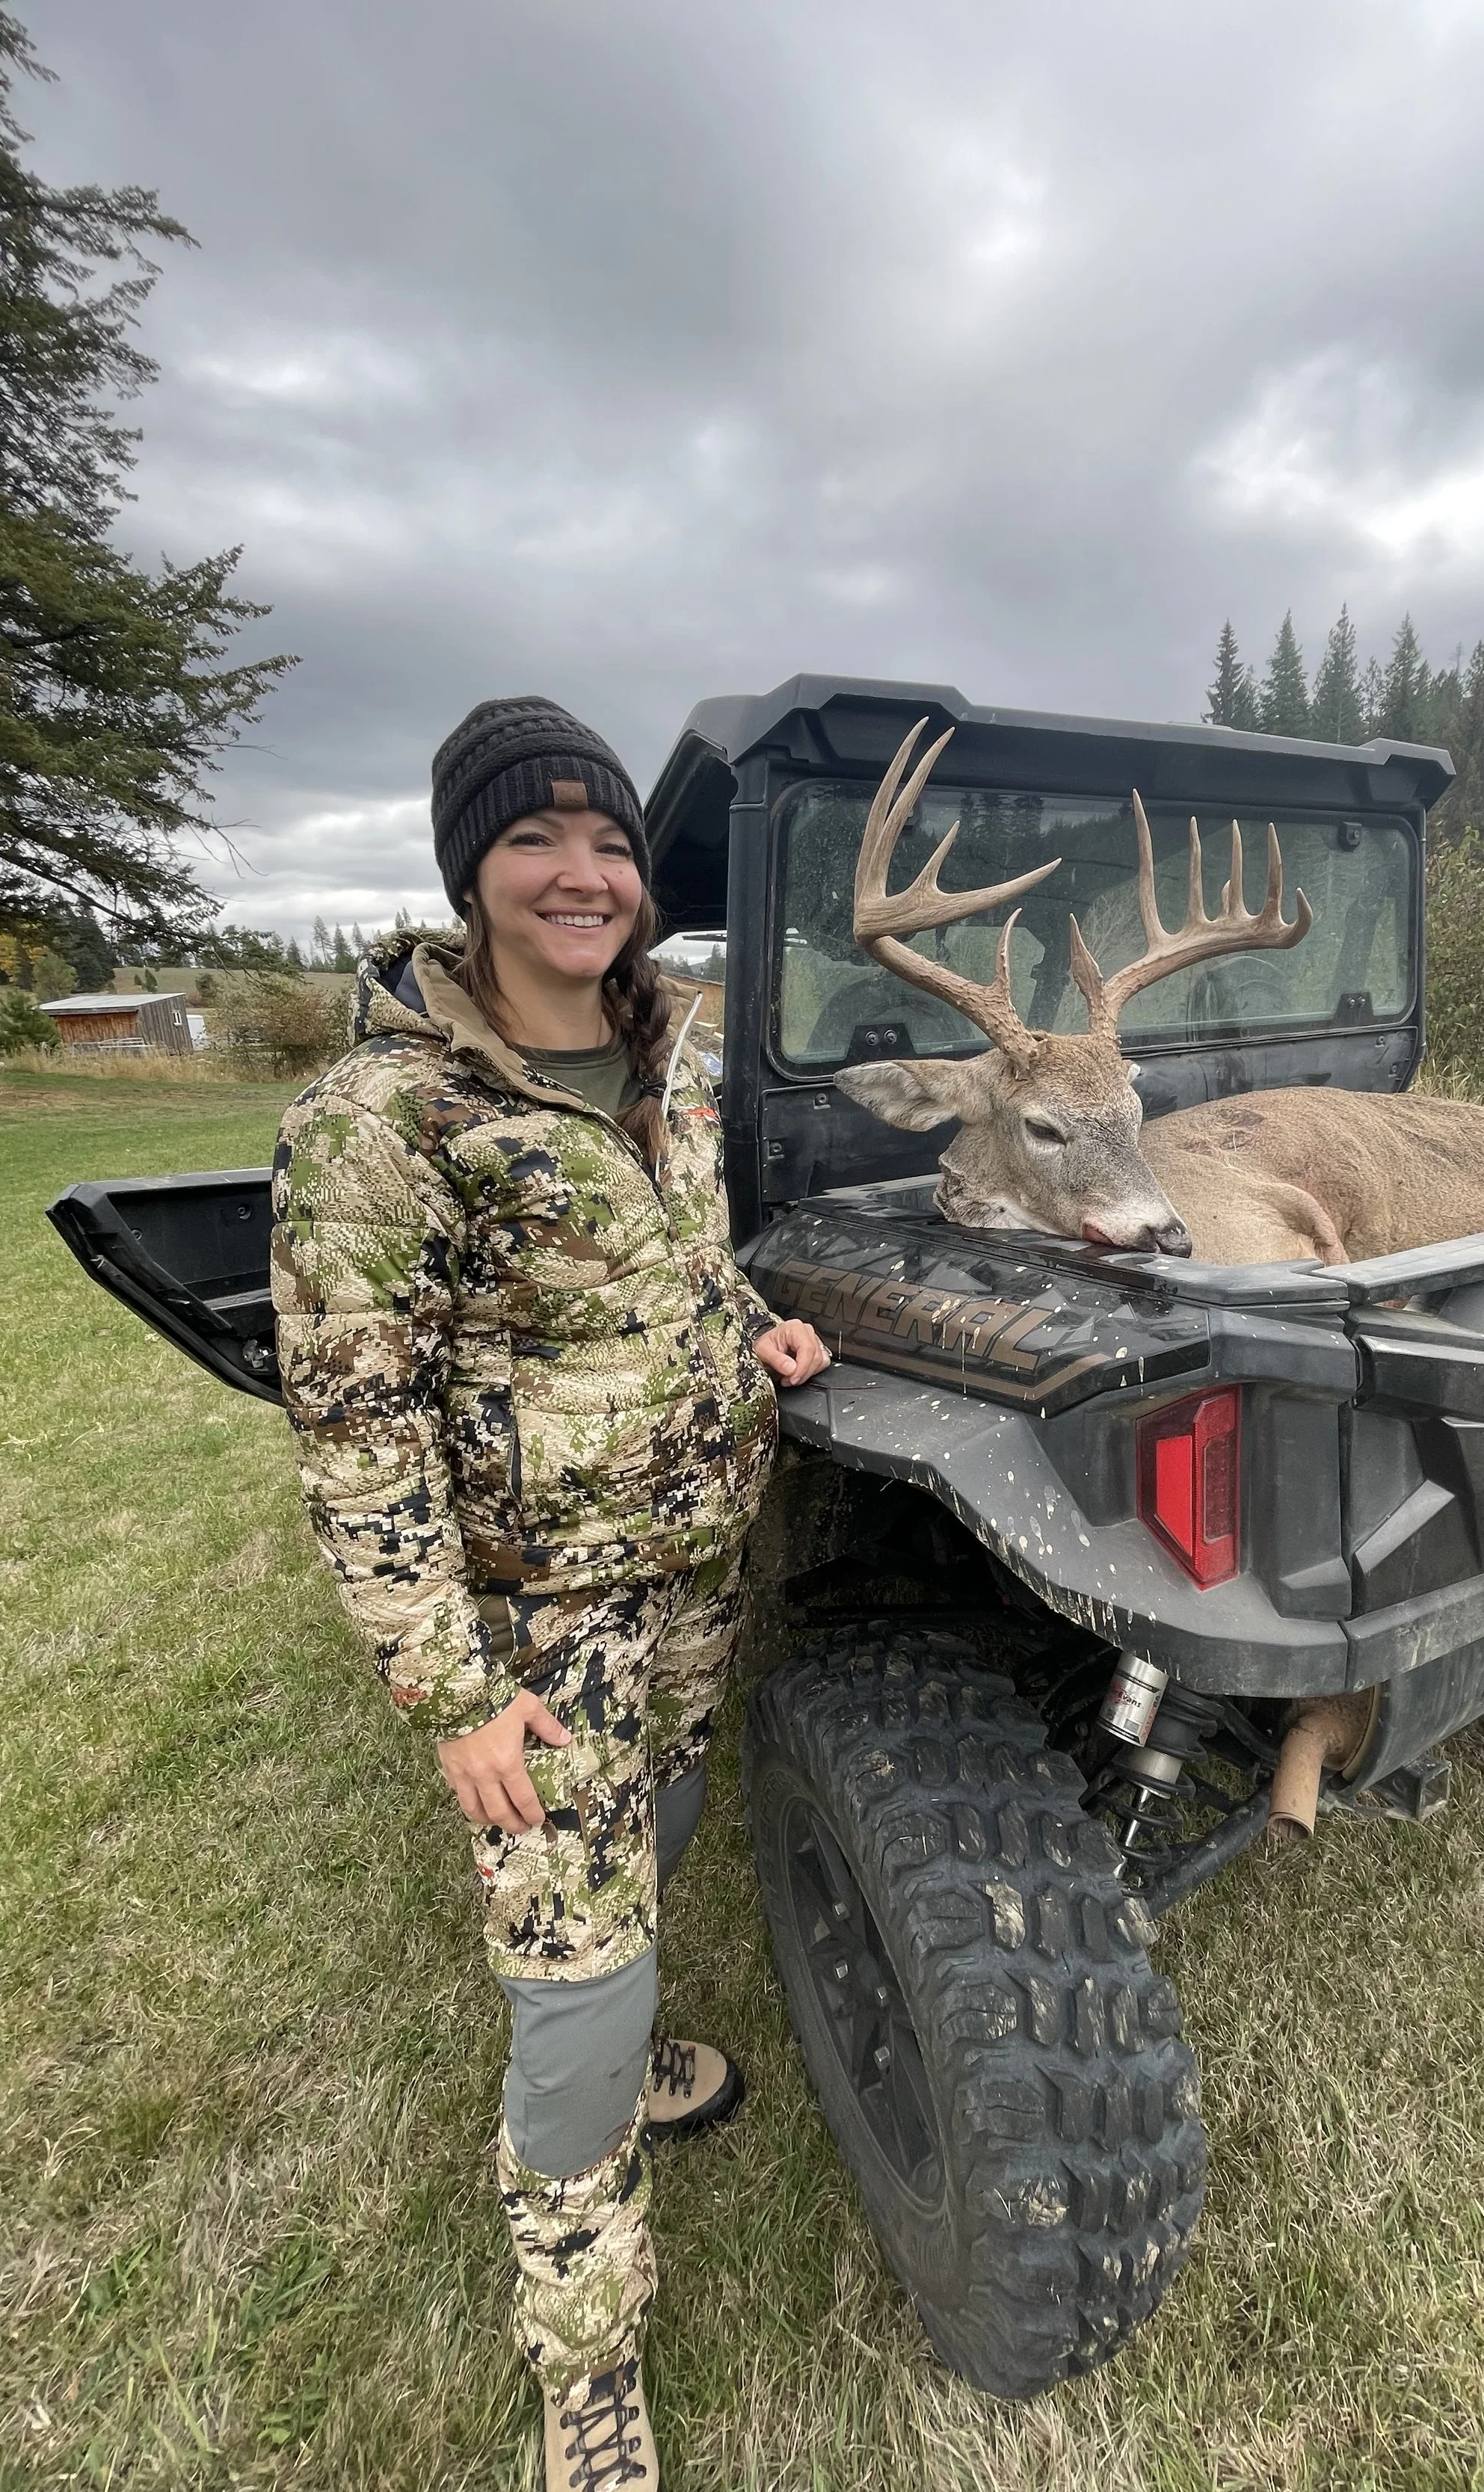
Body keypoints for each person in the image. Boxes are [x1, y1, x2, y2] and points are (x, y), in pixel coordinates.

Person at [271, 696, 829, 2491]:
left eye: (605, 840)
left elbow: (682, 1255)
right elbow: (356, 1436)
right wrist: (449, 1690)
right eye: (534, 837)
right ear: (471, 874)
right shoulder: (379, 1118)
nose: (582, 869)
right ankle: (585, 2367)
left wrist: (752, 1331)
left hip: (685, 1575)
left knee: (653, 1832)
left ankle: (642, 2047)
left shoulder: (669, 1048)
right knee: (571, 1974)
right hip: (535, 1626)